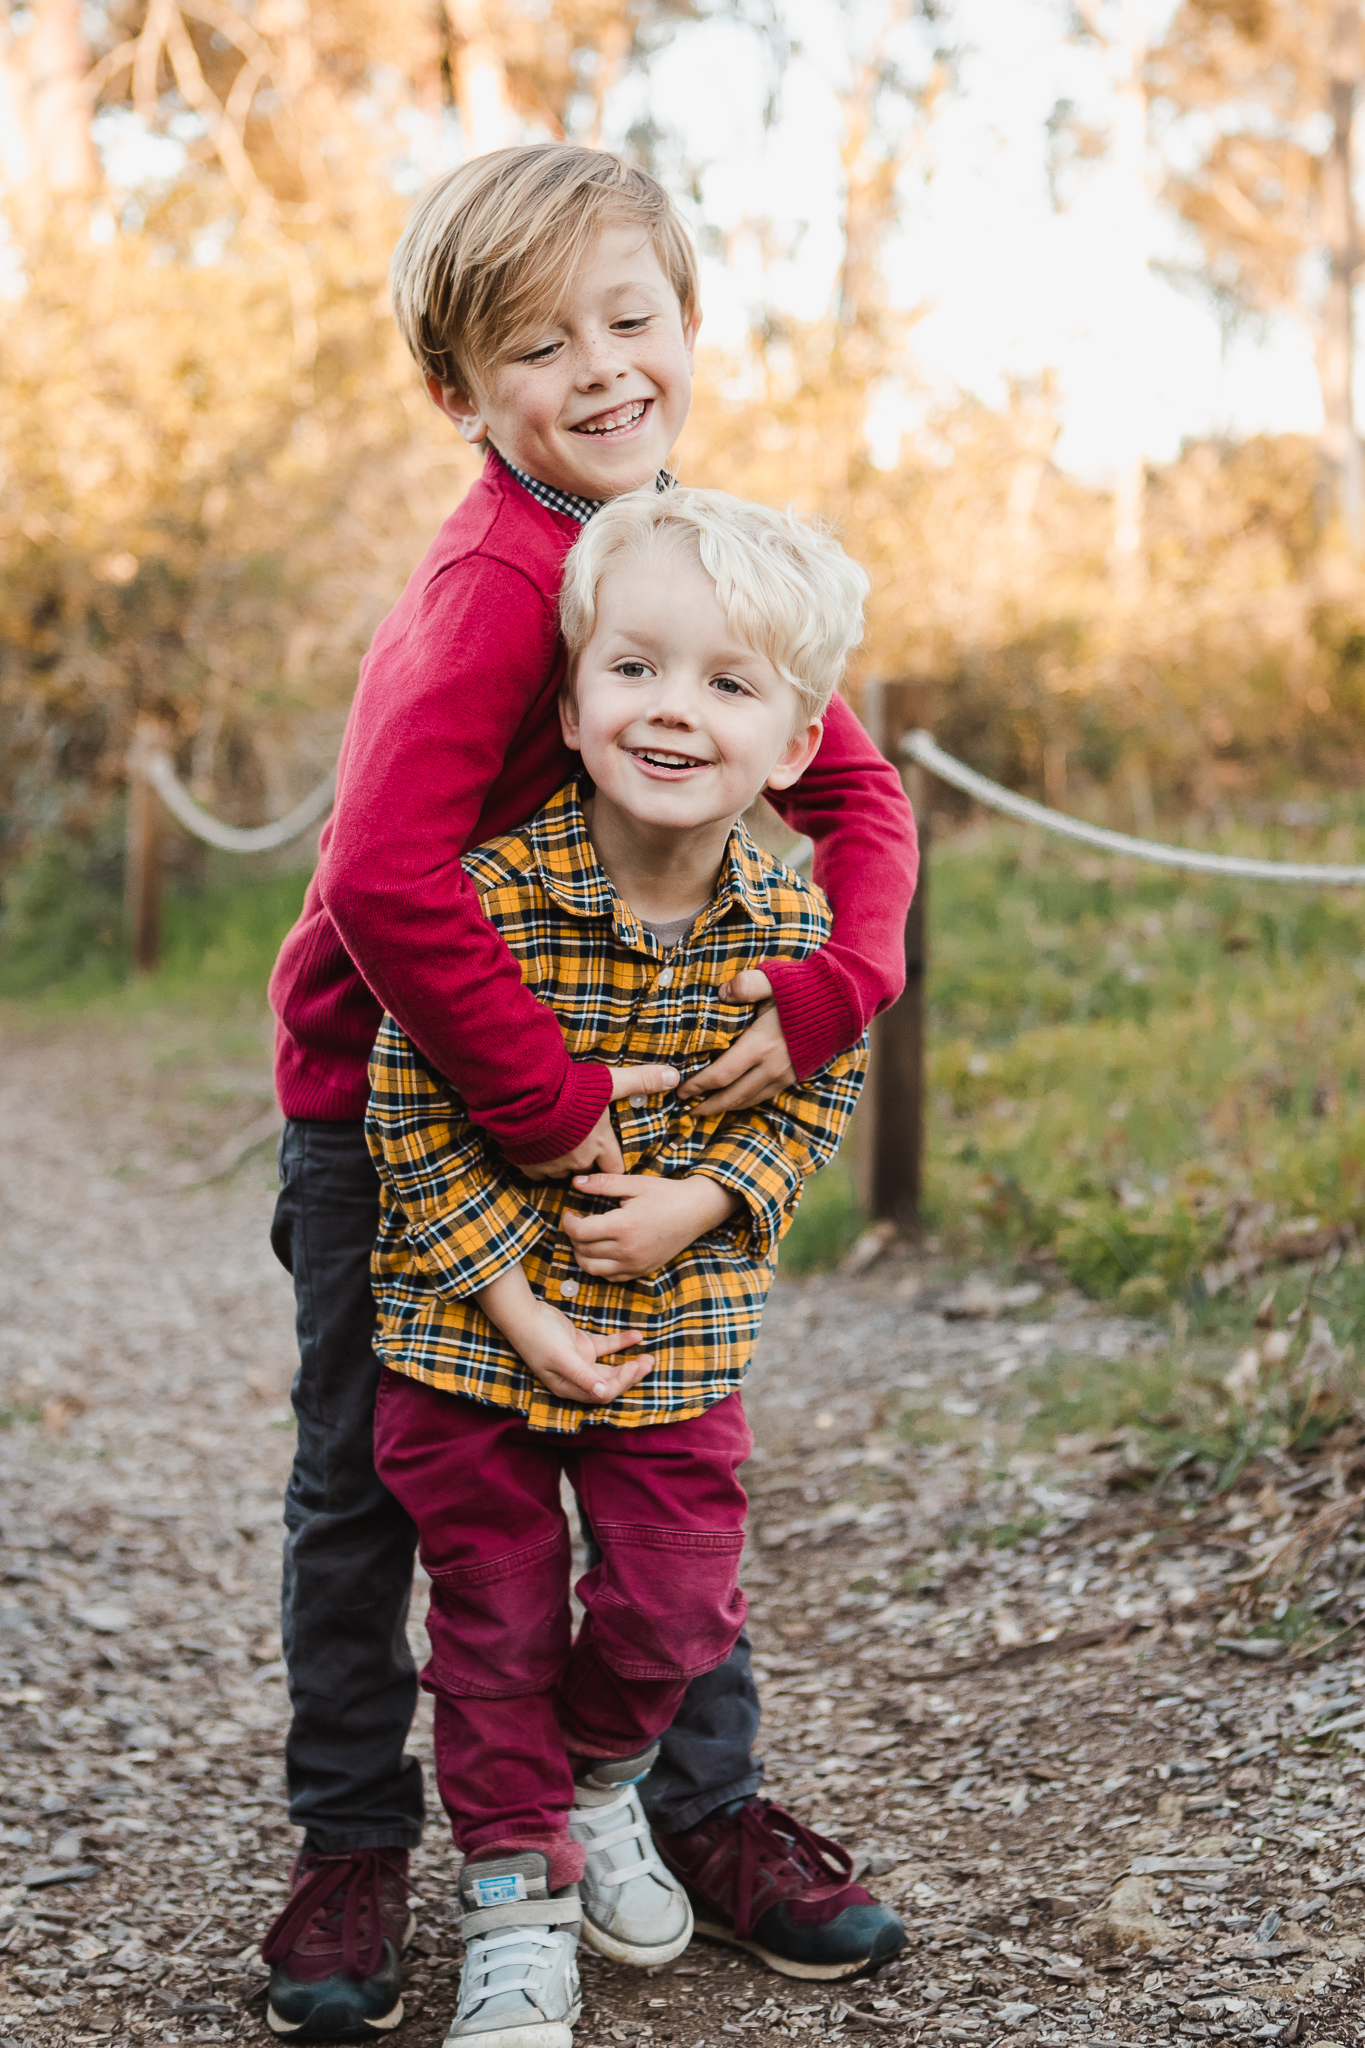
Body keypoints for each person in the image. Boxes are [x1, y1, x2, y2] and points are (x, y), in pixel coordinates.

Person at [263, 144, 918, 2042]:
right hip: (392, 1095)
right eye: (542, 345)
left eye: (631, 318)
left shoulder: (683, 557)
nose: (605, 366)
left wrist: (822, 993)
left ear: (686, 324)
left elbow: (853, 797)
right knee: (373, 1484)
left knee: (660, 1451)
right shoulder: (495, 586)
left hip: (650, 1081)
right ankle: (360, 1833)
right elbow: (383, 881)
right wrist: (549, 1119)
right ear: (464, 393)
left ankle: (686, 1808)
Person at [368, 484, 900, 2048]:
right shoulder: (493, 895)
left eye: (728, 686)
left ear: (797, 744)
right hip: (472, 1343)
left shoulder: (792, 934)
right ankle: (513, 1908)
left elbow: (819, 1099)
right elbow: (411, 1100)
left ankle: (598, 1782)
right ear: (576, 690)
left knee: (675, 1605)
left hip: (677, 1340)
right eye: (636, 671)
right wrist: (518, 1307)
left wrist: (707, 1198)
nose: (674, 713)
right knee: (496, 1623)